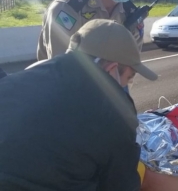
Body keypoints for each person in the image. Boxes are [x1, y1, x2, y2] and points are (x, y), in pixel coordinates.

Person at [0, 19, 158, 190]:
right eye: (128, 78)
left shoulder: (23, 77)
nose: (126, 85)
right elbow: (120, 184)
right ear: (111, 69)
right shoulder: (115, 112)